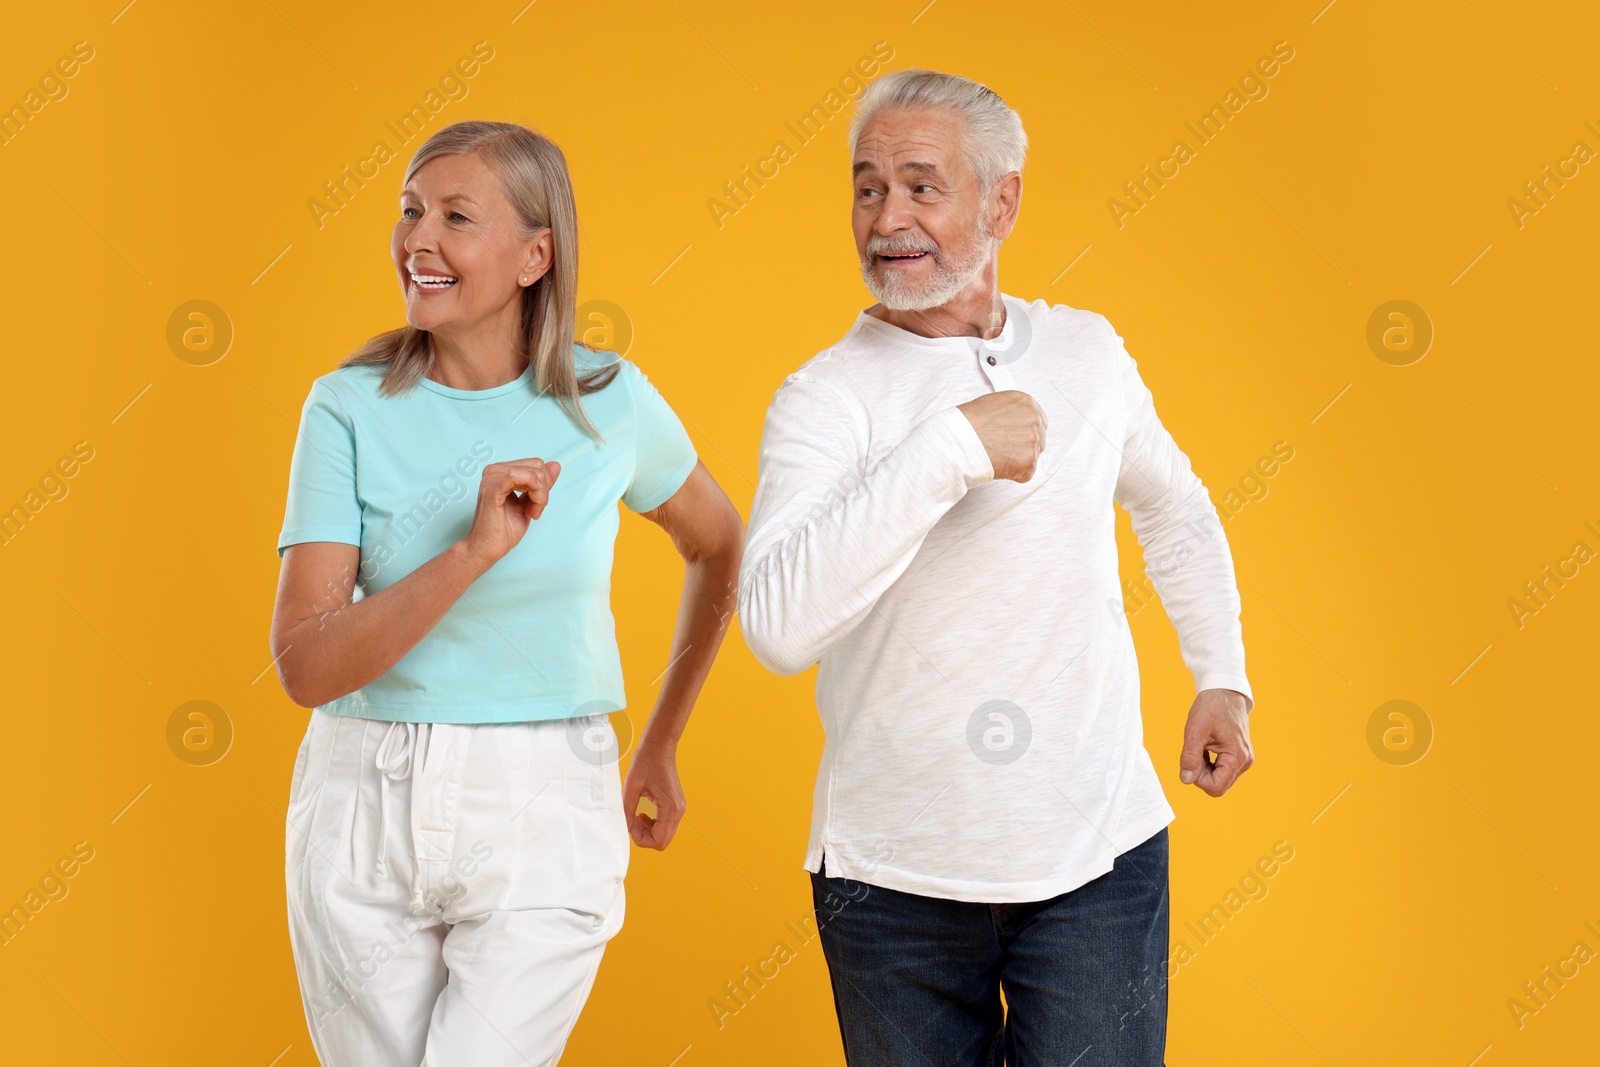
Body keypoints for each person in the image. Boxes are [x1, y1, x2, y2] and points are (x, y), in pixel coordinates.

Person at [738, 69, 1255, 1066]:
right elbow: (777, 625)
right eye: (865, 187)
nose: (886, 217)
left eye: (921, 186)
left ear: (1001, 199)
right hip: (891, 881)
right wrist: (945, 448)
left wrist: (1221, 674)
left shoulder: (1087, 353)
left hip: (1096, 857)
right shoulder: (822, 398)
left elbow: (1177, 511)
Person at [269, 119, 743, 1066]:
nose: (418, 240)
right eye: (409, 212)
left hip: (544, 794)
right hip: (366, 793)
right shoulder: (347, 405)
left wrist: (661, 737)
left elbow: (719, 543)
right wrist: (471, 551)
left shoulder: (608, 401)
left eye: (455, 216)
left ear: (537, 255)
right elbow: (307, 664)